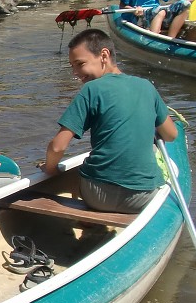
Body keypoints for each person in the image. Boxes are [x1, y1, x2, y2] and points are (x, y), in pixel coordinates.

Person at [40, 28, 178, 214]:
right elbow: (170, 135)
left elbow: (57, 147)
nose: (75, 72)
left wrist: (50, 169)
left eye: (79, 64)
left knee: (70, 175)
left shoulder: (90, 90)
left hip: (96, 196)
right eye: (72, 66)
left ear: (104, 55)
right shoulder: (146, 87)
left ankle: (85, 221)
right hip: (142, 198)